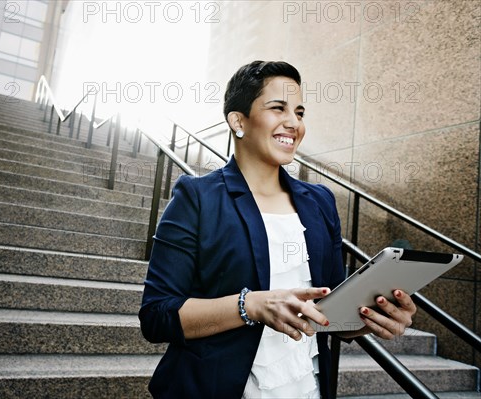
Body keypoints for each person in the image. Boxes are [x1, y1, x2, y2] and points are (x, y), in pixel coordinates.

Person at [139, 60, 416, 399]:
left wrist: (370, 318)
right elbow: (156, 316)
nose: (294, 123)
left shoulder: (320, 201)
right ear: (238, 121)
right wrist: (251, 305)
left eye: (299, 113)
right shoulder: (197, 198)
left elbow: (328, 311)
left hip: (307, 389)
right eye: (278, 108)